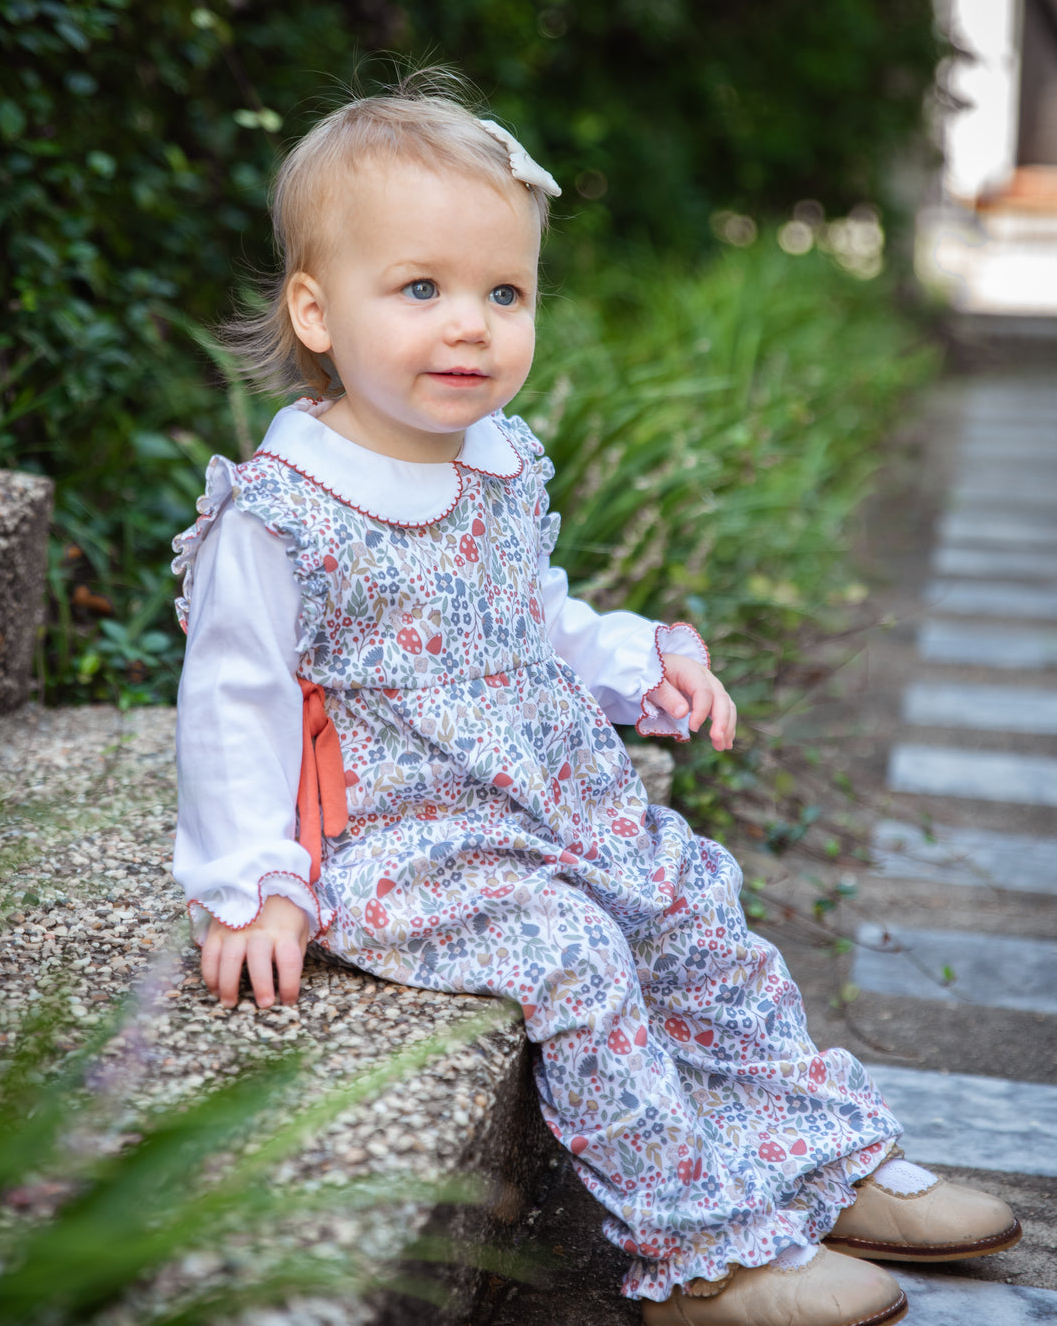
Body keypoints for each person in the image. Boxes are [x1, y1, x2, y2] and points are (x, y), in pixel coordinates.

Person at [171, 73, 1020, 1326]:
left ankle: (812, 1151)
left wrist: (639, 660)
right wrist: (254, 885)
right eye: (421, 290)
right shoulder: (285, 512)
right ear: (314, 308)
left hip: (550, 800)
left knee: (687, 901)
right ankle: (703, 1246)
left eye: (503, 293)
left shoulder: (498, 462)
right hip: (410, 845)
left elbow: (537, 615)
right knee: (573, 955)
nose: (471, 326)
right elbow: (231, 701)